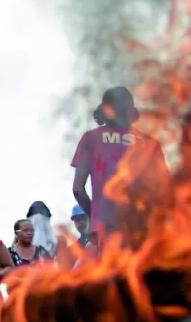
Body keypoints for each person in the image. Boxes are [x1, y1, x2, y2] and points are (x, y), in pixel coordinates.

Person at [71, 86, 170, 246]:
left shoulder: (91, 139)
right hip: (145, 231)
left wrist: (94, 217)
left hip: (107, 230)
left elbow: (78, 190)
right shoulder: (151, 144)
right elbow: (166, 191)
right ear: (132, 111)